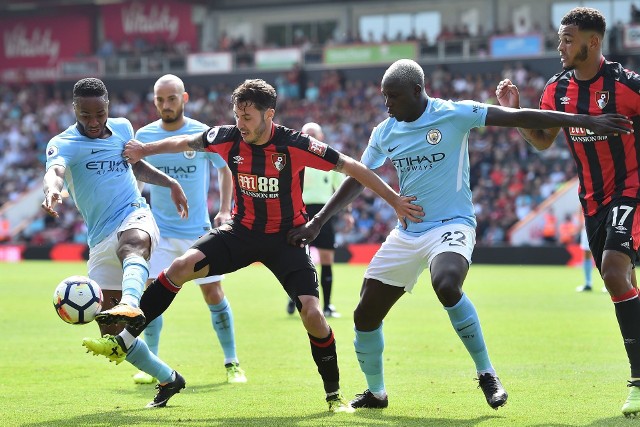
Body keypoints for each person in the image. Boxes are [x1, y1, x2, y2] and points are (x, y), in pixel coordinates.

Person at [286, 58, 632, 411]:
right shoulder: (385, 131)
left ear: (418, 91)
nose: (386, 104)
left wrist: (585, 120)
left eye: (393, 96)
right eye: (383, 97)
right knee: (364, 316)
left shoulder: (455, 113)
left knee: (447, 284)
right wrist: (319, 221)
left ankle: (487, 374)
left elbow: (519, 116)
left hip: (452, 225)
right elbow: (357, 177)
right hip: (407, 233)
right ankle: (376, 393)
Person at [83, 78, 424, 412]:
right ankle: (124, 341)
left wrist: (393, 199)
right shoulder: (227, 138)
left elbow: (354, 167)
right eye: (237, 116)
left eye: (247, 117)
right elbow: (186, 142)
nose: (240, 124)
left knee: (312, 314)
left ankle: (334, 394)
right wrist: (146, 148)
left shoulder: (296, 144)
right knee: (179, 268)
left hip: (285, 241)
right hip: (240, 233)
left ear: (269, 115)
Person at [495, 7, 640, 417]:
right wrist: (513, 112)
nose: (561, 46)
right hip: (592, 203)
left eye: (568, 39)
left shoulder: (627, 86)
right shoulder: (556, 89)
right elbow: (541, 140)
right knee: (621, 279)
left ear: (593, 43)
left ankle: (638, 380)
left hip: (631, 192)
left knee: (614, 272)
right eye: (560, 39)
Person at [43, 77, 190, 408]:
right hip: (99, 237)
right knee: (111, 335)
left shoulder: (123, 127)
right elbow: (54, 170)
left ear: (108, 106)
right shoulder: (63, 142)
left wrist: (169, 183)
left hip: (133, 215)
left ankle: (132, 301)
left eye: (99, 114)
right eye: (85, 115)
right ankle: (169, 379)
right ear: (74, 110)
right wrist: (52, 188)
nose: (94, 122)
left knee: (133, 244)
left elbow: (135, 166)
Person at [131, 74, 246, 385]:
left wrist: (224, 210)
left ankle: (232, 362)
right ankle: (149, 364)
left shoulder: (201, 133)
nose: (165, 105)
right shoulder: (145, 135)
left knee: (213, 292)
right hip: (160, 232)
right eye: (160, 99)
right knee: (151, 294)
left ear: (184, 98)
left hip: (198, 231)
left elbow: (225, 171)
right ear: (154, 101)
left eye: (171, 98)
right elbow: (137, 177)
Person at [286, 122, 353, 318]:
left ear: (321, 137)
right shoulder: (295, 158)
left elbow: (340, 189)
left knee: (326, 260)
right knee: (297, 259)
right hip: (300, 211)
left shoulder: (330, 161)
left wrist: (347, 212)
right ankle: (294, 299)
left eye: (314, 134)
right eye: (307, 134)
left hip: (324, 213)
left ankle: (328, 305)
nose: (311, 137)